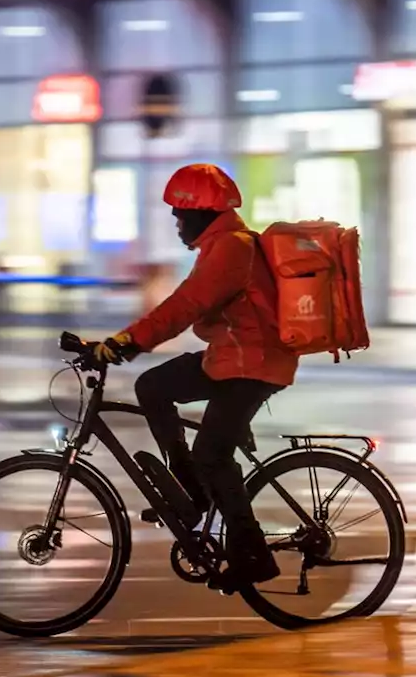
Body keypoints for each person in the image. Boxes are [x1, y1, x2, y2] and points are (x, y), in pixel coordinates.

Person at [92, 163, 297, 589]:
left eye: (180, 213)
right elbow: (189, 305)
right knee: (152, 386)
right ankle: (191, 492)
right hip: (230, 358)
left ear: (202, 211)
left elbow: (186, 305)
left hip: (253, 364)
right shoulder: (219, 246)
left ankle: (252, 554)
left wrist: (128, 340)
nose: (176, 221)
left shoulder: (232, 249)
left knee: (213, 455)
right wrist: (129, 341)